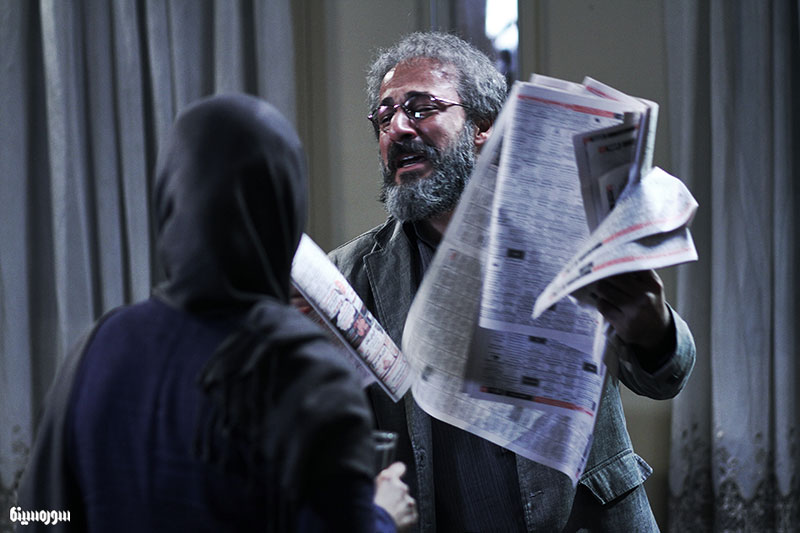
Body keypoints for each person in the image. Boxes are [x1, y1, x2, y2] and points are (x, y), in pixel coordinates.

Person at [329, 32, 696, 532]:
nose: (397, 128)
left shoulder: (568, 227)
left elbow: (665, 378)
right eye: (384, 115)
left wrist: (652, 327)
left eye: (420, 108)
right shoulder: (349, 275)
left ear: (482, 126)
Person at [16, 94, 416, 532]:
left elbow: (34, 516)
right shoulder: (306, 373)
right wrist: (381, 515)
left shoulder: (96, 349)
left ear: (169, 200)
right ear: (285, 209)